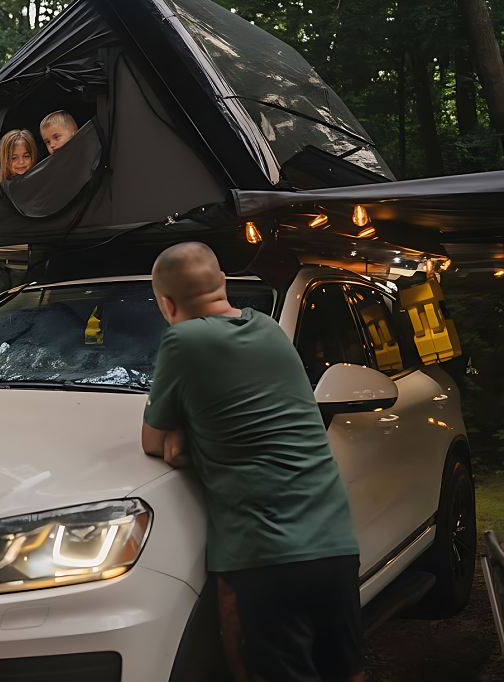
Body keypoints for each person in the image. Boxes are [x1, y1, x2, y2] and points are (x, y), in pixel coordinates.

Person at [141, 242, 363, 682]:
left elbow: (152, 440)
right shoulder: (268, 329)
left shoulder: (183, 341)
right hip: (335, 544)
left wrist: (183, 431)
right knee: (346, 674)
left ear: (167, 304)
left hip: (264, 555)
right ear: (223, 283)